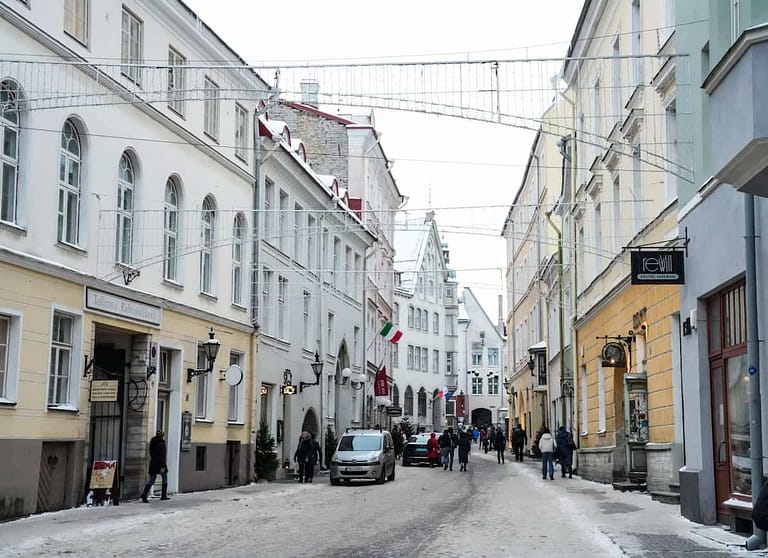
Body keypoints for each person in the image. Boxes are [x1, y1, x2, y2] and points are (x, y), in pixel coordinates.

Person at [140, 430, 169, 502]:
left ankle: (144, 494)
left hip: (153, 463)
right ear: (161, 436)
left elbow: (151, 452)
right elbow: (163, 455)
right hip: (160, 464)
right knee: (165, 478)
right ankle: (163, 495)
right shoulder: (162, 443)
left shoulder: (152, 442)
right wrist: (163, 466)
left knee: (151, 480)